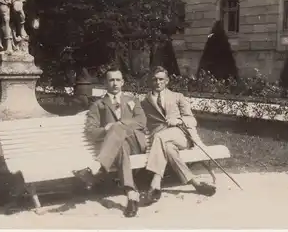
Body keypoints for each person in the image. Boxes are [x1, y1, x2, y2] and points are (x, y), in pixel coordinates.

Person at [72, 67, 147, 218]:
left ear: (123, 82)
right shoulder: (98, 105)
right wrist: (106, 129)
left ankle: (97, 166)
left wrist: (117, 126)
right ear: (105, 83)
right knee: (121, 147)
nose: (115, 83)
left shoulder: (133, 100)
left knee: (118, 128)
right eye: (111, 80)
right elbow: (91, 132)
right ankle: (131, 194)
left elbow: (141, 122)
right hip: (118, 149)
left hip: (135, 144)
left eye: (118, 80)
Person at [140, 66, 216, 206]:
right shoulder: (145, 102)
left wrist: (178, 121)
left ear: (167, 81)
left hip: (180, 136)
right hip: (161, 140)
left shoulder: (177, 97)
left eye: (161, 79)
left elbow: (192, 120)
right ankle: (195, 183)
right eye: (155, 79)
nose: (158, 82)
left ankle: (156, 182)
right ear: (151, 81)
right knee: (168, 148)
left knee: (161, 138)